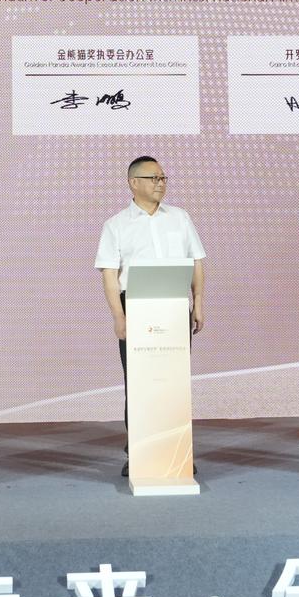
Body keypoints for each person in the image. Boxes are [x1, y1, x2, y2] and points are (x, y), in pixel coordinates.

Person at [94, 155, 206, 475]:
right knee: (140, 383)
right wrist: (118, 316)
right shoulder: (116, 224)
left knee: (174, 382)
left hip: (174, 307)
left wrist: (197, 302)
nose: (160, 184)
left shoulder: (180, 218)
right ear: (133, 183)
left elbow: (196, 260)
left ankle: (176, 448)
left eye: (163, 178)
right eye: (153, 178)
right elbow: (109, 273)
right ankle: (140, 451)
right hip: (136, 308)